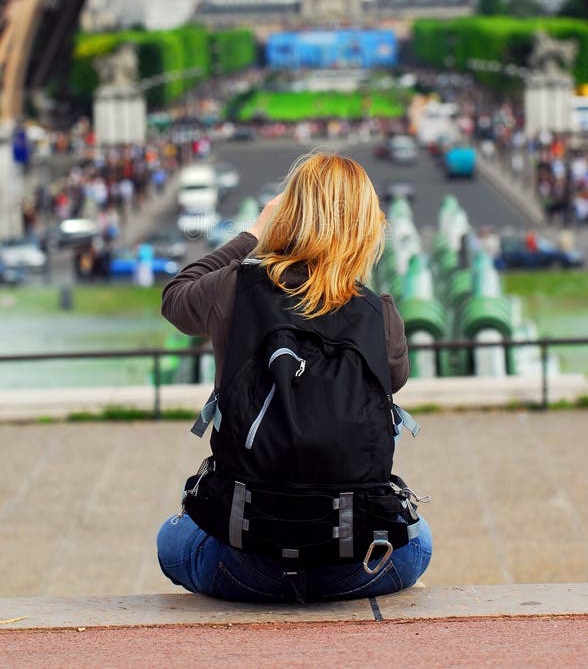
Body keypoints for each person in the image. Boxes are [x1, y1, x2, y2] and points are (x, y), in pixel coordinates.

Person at [157, 152, 432, 602]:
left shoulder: (234, 289)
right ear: (364, 228)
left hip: (242, 559)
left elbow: (175, 297)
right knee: (420, 542)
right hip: (358, 561)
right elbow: (395, 380)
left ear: (289, 215)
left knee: (170, 542)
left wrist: (252, 233)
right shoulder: (380, 315)